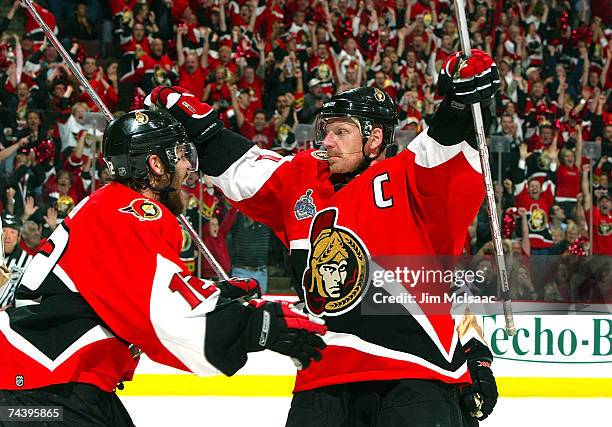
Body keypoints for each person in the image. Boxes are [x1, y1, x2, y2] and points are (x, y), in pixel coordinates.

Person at [147, 48, 500, 426]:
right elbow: (238, 166)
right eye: (326, 131)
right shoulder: (302, 178)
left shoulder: (413, 178)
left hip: (415, 375)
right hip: (323, 378)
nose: (327, 141)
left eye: (340, 131)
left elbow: (447, 143)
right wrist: (198, 126)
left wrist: (463, 102)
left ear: (375, 138)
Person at [0, 110, 326, 426]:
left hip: (43, 385)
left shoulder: (108, 206)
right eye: (181, 155)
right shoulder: (131, 211)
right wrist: (255, 324)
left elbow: (141, 293)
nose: (188, 167)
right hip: (41, 394)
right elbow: (163, 312)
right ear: (156, 165)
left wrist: (215, 296)